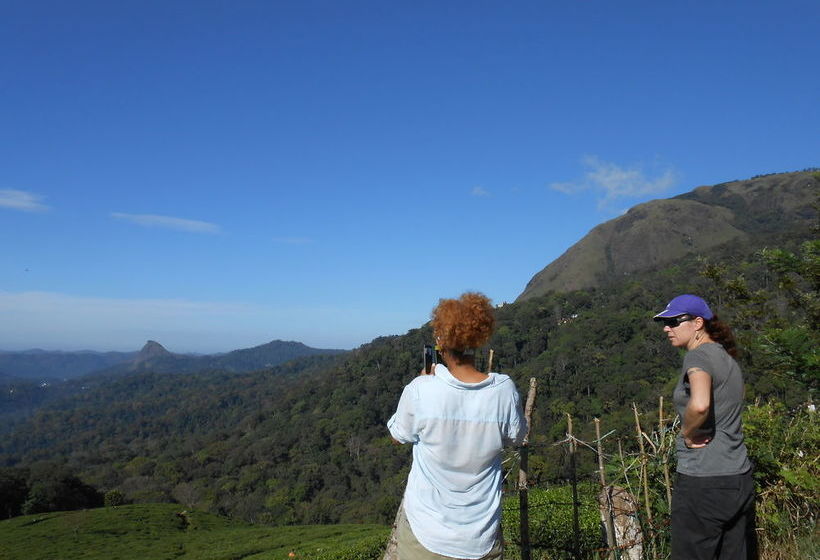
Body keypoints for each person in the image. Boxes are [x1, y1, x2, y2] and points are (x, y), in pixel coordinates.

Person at [387, 292, 527, 560]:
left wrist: (423, 383)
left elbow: (398, 435)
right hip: (481, 538)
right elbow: (517, 436)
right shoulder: (503, 391)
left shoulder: (421, 390)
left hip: (425, 535)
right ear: (481, 338)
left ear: (440, 342)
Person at [654, 294, 756, 559]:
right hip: (738, 477)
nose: (667, 328)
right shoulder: (728, 360)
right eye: (665, 322)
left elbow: (700, 405)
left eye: (674, 321)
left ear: (697, 323)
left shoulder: (697, 357)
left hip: (704, 481)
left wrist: (687, 434)